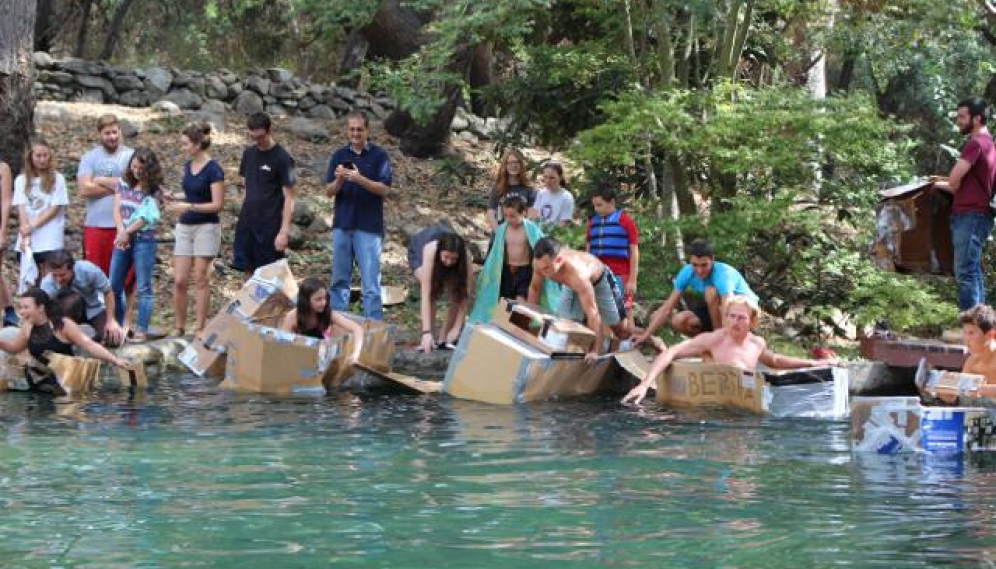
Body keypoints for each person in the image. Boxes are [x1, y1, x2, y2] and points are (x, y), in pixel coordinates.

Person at [622, 295, 833, 405]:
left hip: (742, 408)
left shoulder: (756, 343)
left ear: (751, 321)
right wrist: (645, 384)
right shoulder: (713, 340)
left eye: (741, 318)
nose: (735, 322)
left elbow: (775, 361)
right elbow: (671, 353)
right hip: (710, 409)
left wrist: (812, 363)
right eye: (731, 316)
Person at [324, 111, 393, 321]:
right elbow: (329, 191)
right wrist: (340, 180)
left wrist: (359, 179)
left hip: (368, 228)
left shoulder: (379, 156)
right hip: (342, 226)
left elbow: (384, 190)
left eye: (359, 129)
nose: (355, 133)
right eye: (352, 129)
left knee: (371, 283)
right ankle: (339, 327)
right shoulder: (339, 155)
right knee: (339, 281)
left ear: (367, 131)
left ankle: (373, 329)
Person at [0, 287, 128, 395]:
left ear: (41, 307)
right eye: (20, 307)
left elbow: (89, 344)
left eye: (26, 307)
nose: (21, 312)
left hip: (64, 385)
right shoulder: (28, 327)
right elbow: (15, 348)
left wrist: (115, 360)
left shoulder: (63, 325)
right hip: (37, 384)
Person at [527, 237, 630, 364]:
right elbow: (535, 288)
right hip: (571, 285)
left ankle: (646, 340)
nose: (542, 272)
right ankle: (572, 356)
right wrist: (529, 320)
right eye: (540, 268)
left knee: (621, 330)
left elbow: (593, 313)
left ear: (559, 260)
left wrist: (594, 352)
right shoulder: (539, 264)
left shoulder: (578, 274)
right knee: (566, 323)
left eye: (547, 268)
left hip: (600, 281)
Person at [935, 97, 996, 311]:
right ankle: (980, 328)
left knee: (965, 273)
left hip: (970, 216)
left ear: (977, 119)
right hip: (980, 215)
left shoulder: (976, 144)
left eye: (962, 117)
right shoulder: (991, 145)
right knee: (973, 271)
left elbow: (953, 181)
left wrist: (935, 184)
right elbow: (957, 185)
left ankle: (970, 328)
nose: (958, 121)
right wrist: (938, 184)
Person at [636, 238, 758, 342]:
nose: (699, 270)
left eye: (704, 265)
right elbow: (667, 309)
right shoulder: (687, 272)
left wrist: (726, 342)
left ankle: (722, 343)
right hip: (717, 311)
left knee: (711, 292)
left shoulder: (723, 274)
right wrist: (645, 335)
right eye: (695, 265)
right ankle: (706, 345)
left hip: (743, 311)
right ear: (690, 262)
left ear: (712, 260)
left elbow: (728, 307)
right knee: (679, 320)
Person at [167, 122, 225, 338]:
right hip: (185, 226)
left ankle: (200, 327)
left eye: (185, 144)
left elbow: (217, 204)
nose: (182, 148)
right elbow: (191, 195)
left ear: (198, 144)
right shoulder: (187, 166)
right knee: (180, 279)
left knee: (201, 278)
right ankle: (179, 326)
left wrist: (187, 206)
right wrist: (175, 196)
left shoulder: (214, 169)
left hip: (206, 227)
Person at [469, 198, 560, 325]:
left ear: (523, 213)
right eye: (506, 216)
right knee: (504, 300)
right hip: (506, 269)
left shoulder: (531, 229)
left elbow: (541, 247)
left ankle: (520, 327)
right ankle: (501, 326)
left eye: (513, 216)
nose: (509, 219)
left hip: (525, 270)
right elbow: (496, 252)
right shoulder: (502, 229)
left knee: (521, 300)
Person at [109, 148, 163, 342]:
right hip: (122, 237)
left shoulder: (154, 190)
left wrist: (127, 232)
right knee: (114, 284)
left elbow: (147, 217)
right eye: (133, 166)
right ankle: (119, 325)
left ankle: (142, 329)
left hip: (143, 240)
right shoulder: (123, 182)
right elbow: (117, 208)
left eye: (141, 168)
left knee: (143, 287)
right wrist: (120, 231)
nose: (136, 171)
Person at [234, 112, 296, 275]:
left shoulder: (283, 158)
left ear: (270, 131)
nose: (257, 141)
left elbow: (289, 197)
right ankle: (249, 300)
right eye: (252, 137)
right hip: (248, 221)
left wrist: (283, 232)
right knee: (247, 268)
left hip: (270, 225)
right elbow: (246, 185)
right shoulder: (249, 153)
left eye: (260, 136)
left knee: (270, 274)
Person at [76, 114, 135, 275]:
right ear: (100, 134)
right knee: (96, 276)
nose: (112, 137)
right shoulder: (89, 157)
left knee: (125, 278)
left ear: (120, 131)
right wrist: (119, 186)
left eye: (115, 132)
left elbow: (135, 184)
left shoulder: (131, 156)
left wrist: (100, 180)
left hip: (126, 226)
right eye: (107, 133)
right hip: (95, 225)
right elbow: (84, 189)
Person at [12, 139, 69, 286]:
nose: (42, 159)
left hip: (50, 235)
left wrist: (33, 226)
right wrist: (26, 234)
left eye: (45, 155)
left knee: (49, 279)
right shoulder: (21, 180)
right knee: (31, 280)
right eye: (38, 156)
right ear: (31, 156)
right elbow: (22, 207)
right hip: (28, 236)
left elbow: (54, 208)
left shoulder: (58, 179)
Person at [409, 226, 473, 353]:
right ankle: (429, 336)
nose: (449, 262)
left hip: (449, 250)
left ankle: (444, 337)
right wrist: (426, 332)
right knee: (431, 287)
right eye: (446, 257)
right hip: (420, 247)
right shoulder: (430, 250)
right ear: (440, 252)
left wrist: (456, 328)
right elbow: (426, 294)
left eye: (453, 259)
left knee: (457, 291)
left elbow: (464, 296)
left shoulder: (466, 257)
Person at [40, 251, 125, 346]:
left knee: (113, 339)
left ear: (72, 269)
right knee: (72, 301)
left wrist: (111, 321)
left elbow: (108, 291)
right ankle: (67, 336)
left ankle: (96, 338)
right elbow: (43, 307)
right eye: (55, 275)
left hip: (94, 307)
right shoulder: (47, 283)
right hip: (66, 311)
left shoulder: (88, 270)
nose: (59, 279)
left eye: (62, 275)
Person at [280, 277, 364, 366]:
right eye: (318, 299)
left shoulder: (328, 313)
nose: (323, 302)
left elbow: (357, 329)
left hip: (321, 355)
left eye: (325, 298)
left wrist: (356, 354)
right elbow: (282, 344)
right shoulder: (292, 317)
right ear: (305, 301)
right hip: (299, 354)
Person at [586, 184, 639, 315]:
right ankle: (605, 336)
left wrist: (632, 279)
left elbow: (634, 251)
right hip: (597, 274)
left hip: (621, 274)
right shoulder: (592, 223)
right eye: (594, 206)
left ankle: (628, 334)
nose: (596, 209)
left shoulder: (625, 221)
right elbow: (588, 252)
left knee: (624, 312)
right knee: (601, 312)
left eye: (600, 205)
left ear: (612, 202)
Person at [486, 149, 537, 233]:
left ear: (521, 165)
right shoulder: (497, 188)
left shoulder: (529, 189)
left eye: (517, 162)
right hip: (500, 232)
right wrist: (499, 233)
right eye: (510, 163)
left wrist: (522, 232)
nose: (514, 165)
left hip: (522, 234)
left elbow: (531, 213)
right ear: (505, 166)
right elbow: (491, 213)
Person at [0, 154, 16, 326]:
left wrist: (3, 231)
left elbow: (5, 201)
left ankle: (9, 310)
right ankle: (9, 309)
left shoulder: (3, 167)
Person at [533, 161, 574, 226]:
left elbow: (564, 224)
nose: (548, 181)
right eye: (545, 177)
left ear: (560, 177)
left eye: (552, 178)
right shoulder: (541, 194)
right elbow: (535, 216)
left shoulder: (566, 197)